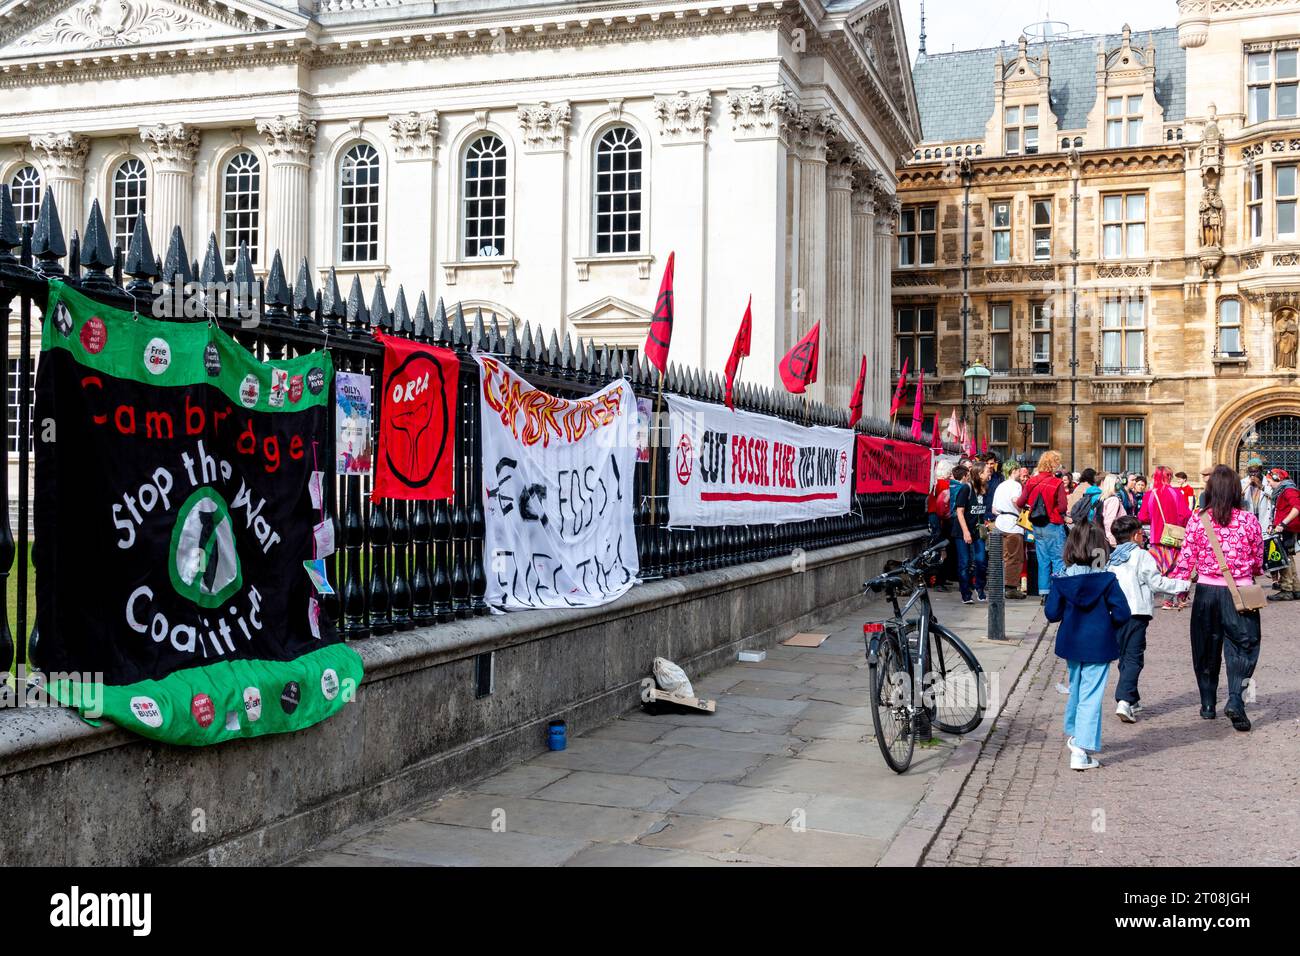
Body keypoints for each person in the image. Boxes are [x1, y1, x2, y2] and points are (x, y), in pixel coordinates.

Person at [1171, 464, 1263, 732]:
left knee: (1205, 647)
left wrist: (1180, 590)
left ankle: (1208, 703)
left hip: (1207, 593)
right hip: (1240, 593)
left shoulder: (1198, 520)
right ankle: (1235, 698)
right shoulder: (1249, 521)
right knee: (1244, 646)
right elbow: (1258, 561)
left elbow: (1186, 558)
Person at [1046, 522, 1132, 771]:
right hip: (1098, 642)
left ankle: (1074, 734)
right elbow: (1123, 613)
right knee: (1091, 697)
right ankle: (1081, 750)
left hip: (1072, 642)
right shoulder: (1106, 579)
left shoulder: (1062, 579)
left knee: (1077, 690)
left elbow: (1052, 613)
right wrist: (1107, 622)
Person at [1107, 516, 1191, 721]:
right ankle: (1124, 700)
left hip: (1116, 613)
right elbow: (1156, 583)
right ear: (1136, 535)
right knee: (1134, 657)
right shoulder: (1141, 555)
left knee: (1125, 655)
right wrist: (1182, 585)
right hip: (1136, 612)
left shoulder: (1112, 558)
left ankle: (1133, 699)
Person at [1139, 466, 1192, 610]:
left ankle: (1159, 599)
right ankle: (1176, 598)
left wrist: (1155, 519)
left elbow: (1142, 517)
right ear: (1169, 477)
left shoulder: (1149, 495)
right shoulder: (1176, 493)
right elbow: (1186, 514)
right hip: (1174, 536)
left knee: (1157, 569)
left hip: (1157, 538)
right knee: (1175, 567)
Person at [1018, 450, 1069, 600]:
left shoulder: (1031, 481)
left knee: (1043, 560)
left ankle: (1044, 594)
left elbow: (1020, 502)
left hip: (1037, 525)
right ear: (1053, 464)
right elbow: (1063, 507)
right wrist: (1052, 510)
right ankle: (1058, 594)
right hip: (1053, 524)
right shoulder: (1056, 482)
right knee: (1058, 560)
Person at [951, 465, 988, 604]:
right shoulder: (966, 488)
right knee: (964, 563)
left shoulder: (984, 490)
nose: (988, 475)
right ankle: (965, 593)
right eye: (986, 472)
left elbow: (981, 511)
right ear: (978, 474)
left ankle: (980, 589)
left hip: (977, 530)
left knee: (981, 561)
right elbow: (960, 512)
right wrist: (966, 532)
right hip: (962, 531)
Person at [993, 461, 1030, 599]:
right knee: (1015, 557)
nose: (1020, 473)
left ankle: (999, 585)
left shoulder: (1000, 486)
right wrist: (1025, 511)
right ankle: (1010, 588)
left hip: (999, 523)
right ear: (1013, 470)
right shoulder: (1016, 485)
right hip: (1012, 525)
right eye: (1019, 470)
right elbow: (1016, 501)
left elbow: (994, 509)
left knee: (1002, 557)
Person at [1266, 468, 1300, 601]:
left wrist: (1283, 524)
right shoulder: (1283, 490)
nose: (1268, 484)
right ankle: (1295, 588)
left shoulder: (1289, 490)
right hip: (1284, 528)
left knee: (1283, 558)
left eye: (1269, 481)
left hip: (1286, 529)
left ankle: (1287, 589)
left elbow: (1297, 507)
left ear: (1277, 478)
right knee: (1288, 558)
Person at [1241, 463, 1272, 531]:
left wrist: (1261, 486)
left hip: (1264, 515)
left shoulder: (1268, 482)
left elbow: (1274, 495)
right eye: (1250, 472)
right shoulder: (1243, 483)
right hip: (1249, 514)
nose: (1253, 474)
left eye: (1255, 472)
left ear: (1261, 471)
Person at [1097, 473, 1126, 546]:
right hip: (1112, 538)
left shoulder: (1102, 498)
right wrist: (1112, 540)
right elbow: (1109, 521)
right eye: (1117, 482)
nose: (1119, 484)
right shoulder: (1113, 500)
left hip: (1102, 535)